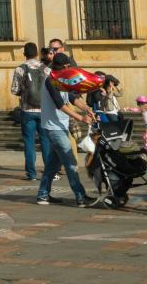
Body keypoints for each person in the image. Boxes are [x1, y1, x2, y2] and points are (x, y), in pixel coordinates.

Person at [36, 53, 95, 207]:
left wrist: (87, 109)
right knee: (71, 163)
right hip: (53, 127)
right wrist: (81, 118)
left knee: (53, 165)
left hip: (60, 126)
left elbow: (72, 98)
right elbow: (60, 105)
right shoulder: (51, 80)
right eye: (69, 67)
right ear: (63, 67)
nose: (70, 70)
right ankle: (80, 197)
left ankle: (42, 195)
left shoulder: (63, 79)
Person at [11, 42, 47, 180]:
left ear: (24, 54)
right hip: (44, 110)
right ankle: (49, 172)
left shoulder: (20, 69)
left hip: (27, 110)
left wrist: (23, 92)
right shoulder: (46, 69)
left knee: (29, 142)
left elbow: (14, 90)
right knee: (45, 141)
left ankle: (31, 174)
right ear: (37, 53)